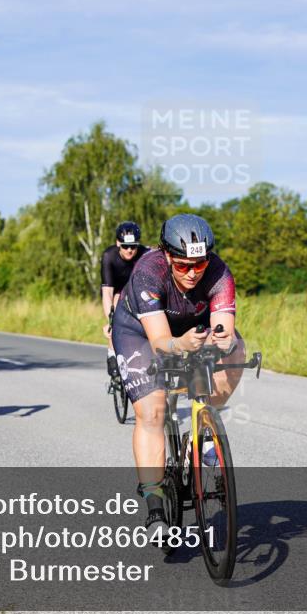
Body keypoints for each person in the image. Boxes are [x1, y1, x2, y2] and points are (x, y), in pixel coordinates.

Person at [110, 214, 246, 539]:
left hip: (190, 328)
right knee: (153, 410)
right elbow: (160, 341)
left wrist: (221, 341)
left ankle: (206, 432)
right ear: (167, 255)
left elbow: (224, 328)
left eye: (199, 264)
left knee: (237, 350)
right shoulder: (148, 271)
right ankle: (155, 505)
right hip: (140, 332)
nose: (192, 272)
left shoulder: (219, 273)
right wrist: (181, 344)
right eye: (183, 265)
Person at [101, 221, 147, 377]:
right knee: (115, 306)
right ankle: (112, 353)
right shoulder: (109, 256)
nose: (129, 250)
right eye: (125, 247)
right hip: (117, 291)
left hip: (137, 291)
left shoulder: (145, 254)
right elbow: (107, 291)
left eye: (133, 246)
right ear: (117, 243)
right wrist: (110, 320)